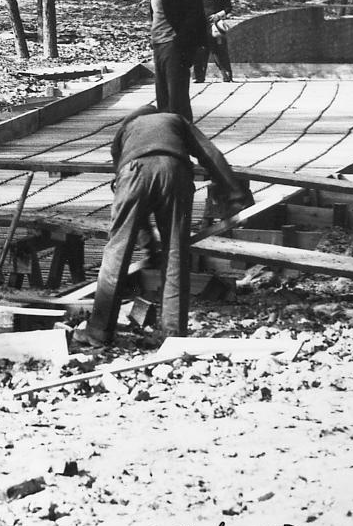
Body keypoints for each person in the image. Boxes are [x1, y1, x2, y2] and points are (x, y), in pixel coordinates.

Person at [76, 104, 252, 348]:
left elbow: (132, 204)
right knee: (176, 252)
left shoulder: (126, 129)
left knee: (117, 250)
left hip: (134, 171)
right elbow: (210, 154)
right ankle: (173, 335)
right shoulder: (175, 119)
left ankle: (98, 332)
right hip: (175, 171)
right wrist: (235, 196)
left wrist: (148, 246)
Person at [137, 0, 209, 122]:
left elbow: (195, 16)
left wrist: (181, 43)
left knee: (177, 103)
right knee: (164, 101)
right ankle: (167, 140)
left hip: (174, 46)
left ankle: (184, 141)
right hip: (159, 45)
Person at [204, 0, 234, 83]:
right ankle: (199, 76)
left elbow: (228, 7)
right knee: (204, 50)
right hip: (204, 24)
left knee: (221, 49)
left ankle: (227, 74)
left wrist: (218, 15)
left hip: (217, 25)